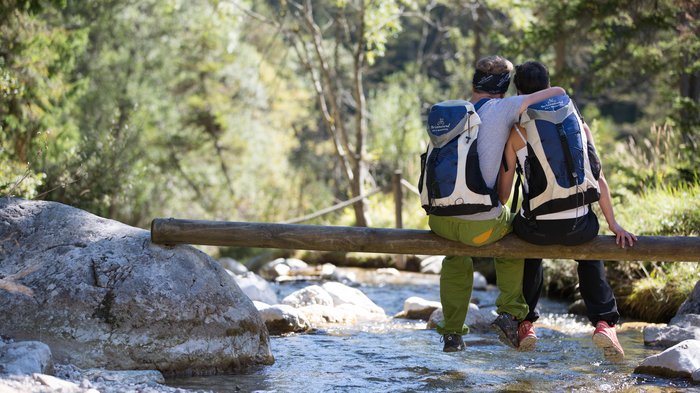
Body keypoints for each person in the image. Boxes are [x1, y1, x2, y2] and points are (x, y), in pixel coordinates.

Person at [497, 60, 637, 360]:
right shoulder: (578, 123)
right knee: (590, 251)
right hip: (578, 225)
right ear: (548, 86)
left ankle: (526, 323)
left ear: (520, 92)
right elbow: (597, 177)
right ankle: (604, 323)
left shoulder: (516, 132)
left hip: (536, 229)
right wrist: (614, 224)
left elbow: (505, 192)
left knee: (528, 246)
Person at [428, 55, 566, 352]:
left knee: (456, 255)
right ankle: (509, 312)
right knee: (513, 232)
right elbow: (559, 93)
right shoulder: (504, 108)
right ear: (504, 87)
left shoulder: (452, 114)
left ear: (474, 82)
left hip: (439, 222)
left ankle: (452, 332)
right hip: (481, 226)